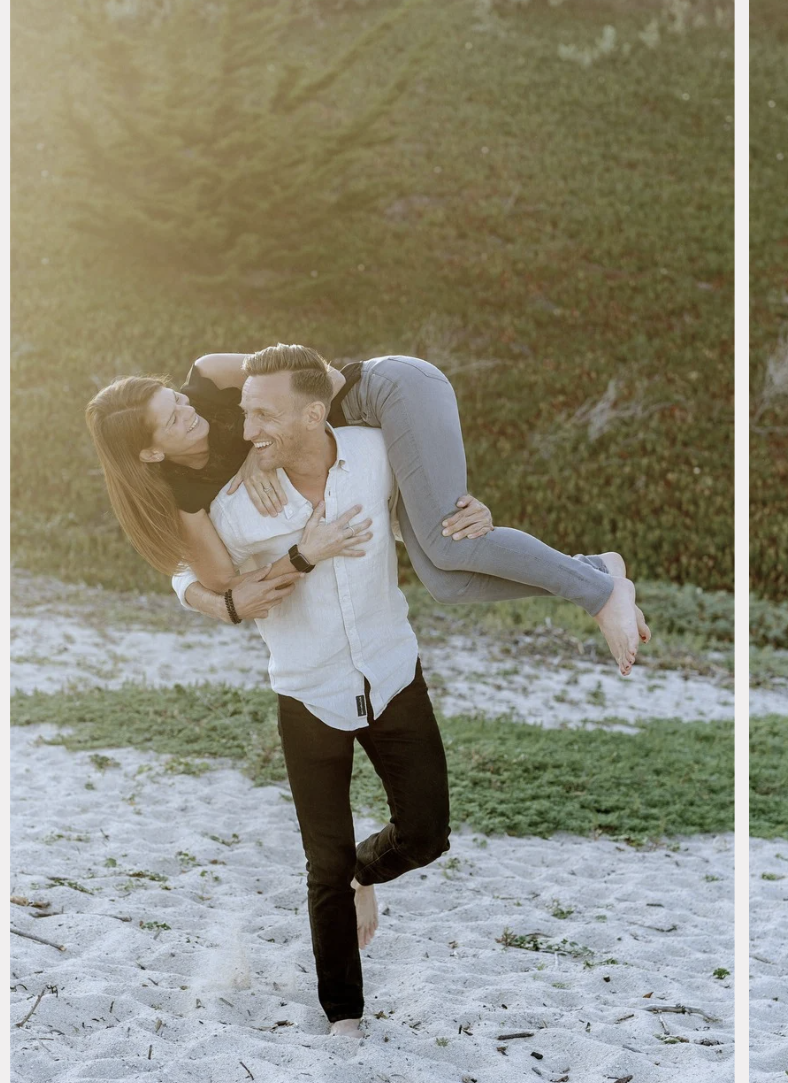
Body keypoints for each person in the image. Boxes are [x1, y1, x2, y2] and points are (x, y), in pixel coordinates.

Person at [171, 345, 453, 1037]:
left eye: (263, 416)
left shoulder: (376, 452)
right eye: (244, 413)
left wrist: (468, 510)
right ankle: (344, 1016)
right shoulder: (235, 507)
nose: (247, 431)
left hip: (392, 673)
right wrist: (221, 597)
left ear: (313, 413)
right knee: (323, 864)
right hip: (307, 693)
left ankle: (365, 875)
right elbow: (185, 571)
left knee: (426, 835)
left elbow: (431, 503)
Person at [86, 349, 649, 672]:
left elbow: (323, 376)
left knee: (447, 540)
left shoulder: (210, 374)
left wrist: (261, 449)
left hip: (385, 392)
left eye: (176, 398)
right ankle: (597, 569)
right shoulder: (183, 494)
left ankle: (600, 595)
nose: (188, 409)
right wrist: (215, 599)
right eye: (173, 418)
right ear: (151, 453)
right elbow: (215, 577)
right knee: (448, 582)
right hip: (372, 444)